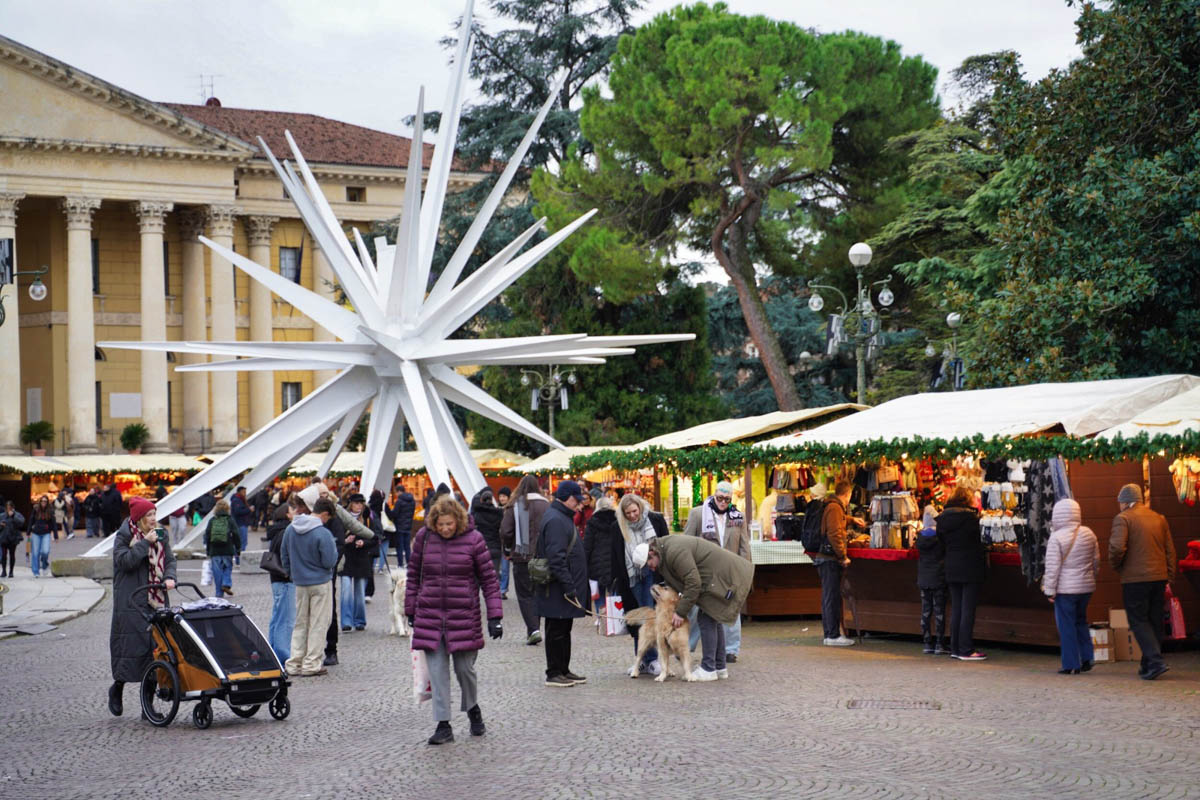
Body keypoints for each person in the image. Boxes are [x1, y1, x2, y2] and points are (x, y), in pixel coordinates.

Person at [406, 495, 503, 744]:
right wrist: (410, 609)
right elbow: (413, 575)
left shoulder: (474, 540)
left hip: (464, 617)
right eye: (441, 524)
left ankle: (473, 708)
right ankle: (443, 724)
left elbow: (489, 581)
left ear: (457, 521)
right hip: (431, 616)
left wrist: (495, 616)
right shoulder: (424, 539)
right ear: (434, 523)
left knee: (465, 670)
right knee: (437, 673)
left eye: (449, 524)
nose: (445, 528)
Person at [633, 532, 754, 682]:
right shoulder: (665, 552)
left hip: (724, 577)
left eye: (649, 565)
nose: (651, 569)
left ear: (652, 553)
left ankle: (709, 668)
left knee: (706, 619)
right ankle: (720, 667)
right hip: (717, 579)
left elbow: (693, 582)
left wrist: (680, 612)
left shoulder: (674, 551)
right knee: (712, 617)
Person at [108, 497, 177, 716]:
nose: (153, 519)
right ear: (139, 519)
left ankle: (147, 707)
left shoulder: (160, 534)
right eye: (149, 515)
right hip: (131, 602)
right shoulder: (124, 535)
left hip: (155, 600)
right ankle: (117, 688)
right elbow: (124, 562)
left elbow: (170, 560)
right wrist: (145, 543)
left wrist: (169, 576)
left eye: (154, 514)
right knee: (130, 651)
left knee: (155, 652)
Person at [1109, 483, 1176, 680]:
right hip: (1159, 577)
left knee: (1138, 620)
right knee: (1154, 620)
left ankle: (1155, 661)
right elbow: (1169, 551)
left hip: (1135, 579)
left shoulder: (1123, 519)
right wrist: (1169, 576)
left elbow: (1116, 549)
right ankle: (1148, 665)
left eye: (1120, 502)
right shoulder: (1159, 518)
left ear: (1124, 502)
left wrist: (1119, 567)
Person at [683, 481, 751, 663]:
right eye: (720, 498)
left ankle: (731, 649)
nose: (722, 502)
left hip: (729, 571)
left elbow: (744, 546)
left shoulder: (738, 517)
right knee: (699, 609)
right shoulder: (698, 514)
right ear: (714, 495)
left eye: (727, 499)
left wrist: (745, 573)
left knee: (731, 609)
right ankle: (685, 646)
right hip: (705, 571)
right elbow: (687, 543)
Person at [535, 480, 589, 688]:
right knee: (556, 629)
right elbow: (556, 558)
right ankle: (554, 672)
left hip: (562, 587)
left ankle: (563, 669)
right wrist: (569, 586)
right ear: (566, 498)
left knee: (564, 628)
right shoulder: (557, 520)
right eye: (577, 500)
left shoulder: (561, 517)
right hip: (557, 588)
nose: (579, 504)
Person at [281, 496, 338, 677]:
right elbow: (329, 561)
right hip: (320, 583)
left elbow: (284, 555)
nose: (327, 521)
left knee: (300, 623)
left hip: (299, 583)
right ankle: (312, 664)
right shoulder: (322, 533)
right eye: (328, 518)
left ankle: (295, 663)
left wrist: (292, 573)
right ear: (324, 514)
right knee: (318, 624)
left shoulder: (291, 529)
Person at [1042, 498, 1100, 674]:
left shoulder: (1056, 538)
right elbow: (1096, 561)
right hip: (1086, 588)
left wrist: (1049, 591)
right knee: (1081, 621)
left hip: (1066, 590)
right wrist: (1092, 578)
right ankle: (1087, 657)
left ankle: (1071, 664)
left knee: (1066, 625)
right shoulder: (1089, 533)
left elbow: (1053, 568)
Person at [615, 492, 670, 672]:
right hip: (631, 576)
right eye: (628, 513)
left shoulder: (654, 520)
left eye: (634, 511)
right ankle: (642, 659)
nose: (632, 516)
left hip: (651, 573)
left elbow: (666, 544)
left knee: (649, 614)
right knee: (637, 616)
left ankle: (653, 658)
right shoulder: (618, 527)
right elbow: (613, 555)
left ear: (639, 507)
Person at [938, 486, 988, 661]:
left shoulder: (942, 519)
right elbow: (981, 541)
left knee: (957, 608)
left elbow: (941, 542)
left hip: (951, 565)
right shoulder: (972, 519)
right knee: (968, 609)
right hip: (970, 566)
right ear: (967, 500)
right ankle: (966, 649)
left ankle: (955, 647)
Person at [500, 475, 550, 644]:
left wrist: (507, 548)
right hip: (542, 556)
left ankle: (533, 629)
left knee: (524, 595)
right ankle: (535, 627)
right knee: (538, 593)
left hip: (521, 556)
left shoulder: (515, 505)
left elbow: (506, 531)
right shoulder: (546, 505)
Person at [812, 480, 858, 647]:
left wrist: (852, 519)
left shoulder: (832, 506)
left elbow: (838, 523)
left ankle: (830, 634)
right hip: (829, 558)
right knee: (831, 596)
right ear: (847, 494)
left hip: (825, 558)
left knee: (829, 596)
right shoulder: (834, 507)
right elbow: (834, 533)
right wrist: (843, 555)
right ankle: (832, 634)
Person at [265, 494, 297, 665]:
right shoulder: (286, 532)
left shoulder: (276, 531)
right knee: (285, 618)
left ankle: (273, 648)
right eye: (292, 510)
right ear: (287, 514)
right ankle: (283, 654)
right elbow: (286, 556)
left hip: (276, 578)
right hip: (285, 579)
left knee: (277, 616)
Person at [339, 493, 377, 631]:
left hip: (361, 559)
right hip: (346, 559)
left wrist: (364, 542)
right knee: (346, 591)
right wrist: (345, 540)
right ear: (351, 504)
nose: (359, 506)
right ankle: (346, 622)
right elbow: (336, 537)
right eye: (356, 503)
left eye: (361, 503)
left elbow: (375, 538)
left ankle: (360, 621)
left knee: (360, 592)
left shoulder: (367, 518)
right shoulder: (342, 517)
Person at [915, 504, 949, 655]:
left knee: (925, 612)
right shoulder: (941, 538)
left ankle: (927, 642)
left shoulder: (920, 539)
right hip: (938, 578)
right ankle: (939, 644)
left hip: (924, 579)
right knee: (939, 612)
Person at [202, 499, 240, 597]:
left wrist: (208, 551)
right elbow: (236, 534)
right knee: (228, 567)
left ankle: (219, 593)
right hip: (227, 550)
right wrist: (238, 549)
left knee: (217, 572)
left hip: (215, 551)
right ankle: (226, 583)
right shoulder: (230, 520)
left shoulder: (212, 520)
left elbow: (207, 536)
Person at [470, 488, 504, 589]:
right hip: (495, 547)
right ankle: (493, 594)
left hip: (481, 547)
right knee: (494, 576)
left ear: (481, 500)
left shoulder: (477, 513)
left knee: (477, 574)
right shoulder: (499, 513)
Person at [389, 483, 416, 568]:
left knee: (399, 547)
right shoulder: (412, 500)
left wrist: (389, 511)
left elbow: (395, 513)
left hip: (399, 526)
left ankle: (400, 564)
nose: (396, 494)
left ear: (399, 491)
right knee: (407, 546)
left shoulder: (399, 501)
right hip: (408, 526)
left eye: (396, 492)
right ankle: (408, 562)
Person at [27, 495, 53, 578]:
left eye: (45, 501)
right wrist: (28, 531)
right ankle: (36, 571)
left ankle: (44, 564)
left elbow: (53, 522)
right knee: (35, 553)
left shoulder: (50, 510)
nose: (43, 503)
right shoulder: (36, 509)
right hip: (35, 533)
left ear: (47, 502)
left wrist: (55, 535)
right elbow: (31, 520)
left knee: (45, 551)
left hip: (46, 533)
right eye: (42, 501)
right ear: (40, 501)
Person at [0, 501, 24, 578]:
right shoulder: (2, 515)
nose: (8, 509)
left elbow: (21, 523)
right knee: (3, 555)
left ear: (13, 507)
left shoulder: (17, 514)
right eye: (7, 507)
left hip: (13, 537)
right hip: (4, 537)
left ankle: (11, 571)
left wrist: (13, 516)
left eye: (10, 507)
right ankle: (3, 570)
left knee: (12, 555)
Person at [496, 486, 512, 597]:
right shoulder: (496, 510)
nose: (502, 498)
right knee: (497, 568)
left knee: (505, 568)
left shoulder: (511, 509)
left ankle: (503, 589)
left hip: (507, 542)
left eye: (504, 496)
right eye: (500, 496)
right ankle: (499, 587)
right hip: (497, 541)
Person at [230, 486, 253, 565]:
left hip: (241, 523)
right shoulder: (237, 500)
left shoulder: (239, 499)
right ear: (239, 492)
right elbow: (238, 511)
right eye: (243, 492)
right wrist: (248, 510)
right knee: (241, 543)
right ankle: (239, 559)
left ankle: (238, 558)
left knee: (240, 542)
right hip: (240, 523)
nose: (245, 493)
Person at [370, 489, 391, 573]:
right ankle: (380, 568)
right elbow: (390, 515)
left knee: (374, 549)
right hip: (385, 529)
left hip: (373, 530)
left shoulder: (370, 506)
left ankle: (373, 566)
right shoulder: (384, 505)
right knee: (384, 549)